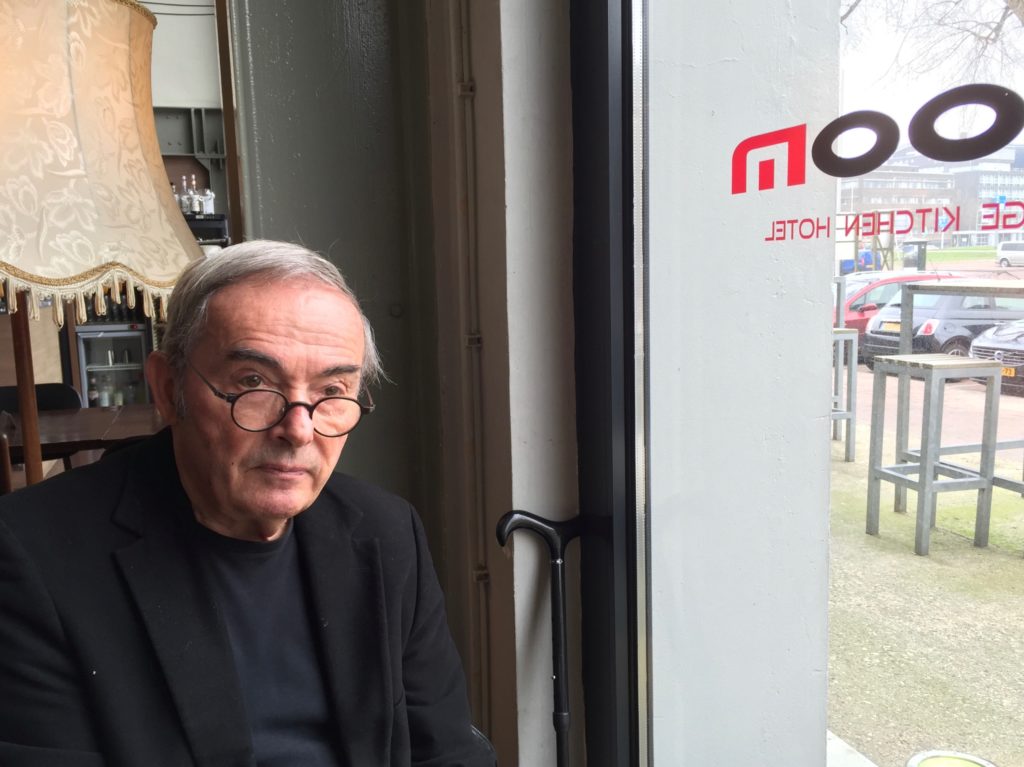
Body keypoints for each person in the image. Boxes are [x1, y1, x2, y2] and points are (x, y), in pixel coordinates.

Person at [0, 240, 495, 766]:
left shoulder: (386, 531)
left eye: (332, 390)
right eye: (253, 383)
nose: (299, 430)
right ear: (168, 389)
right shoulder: (33, 555)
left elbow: (448, 752)